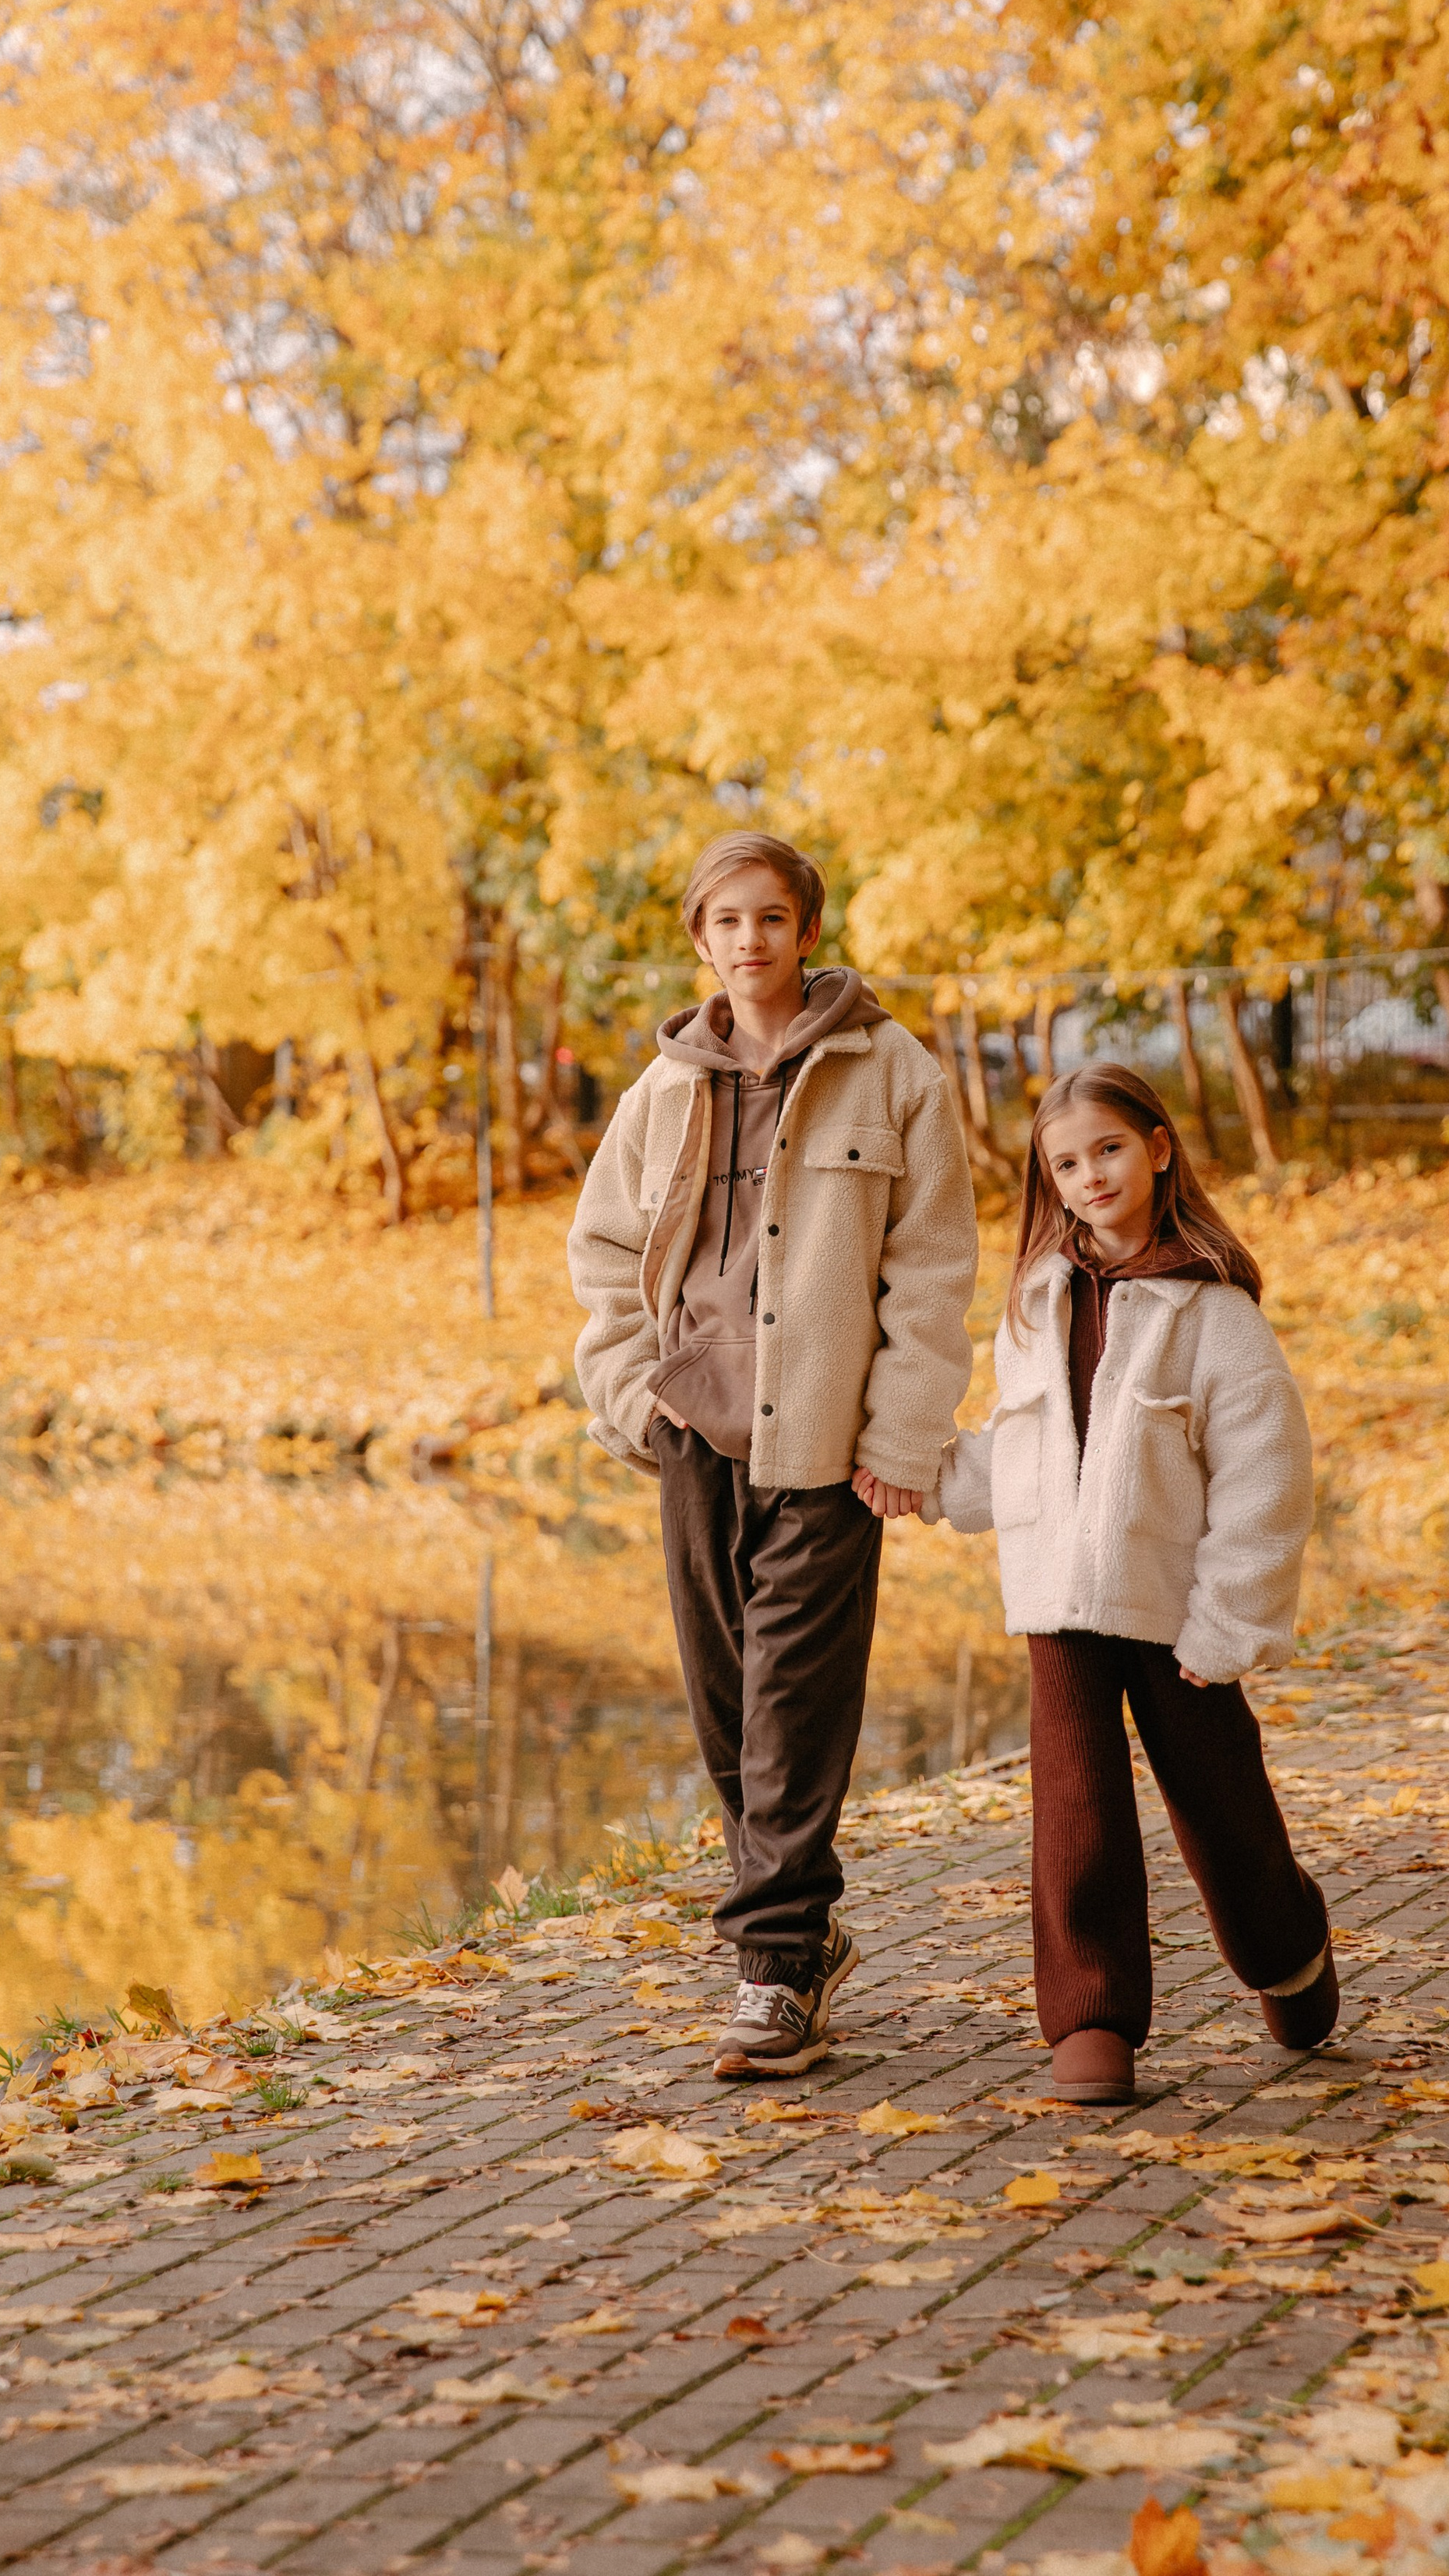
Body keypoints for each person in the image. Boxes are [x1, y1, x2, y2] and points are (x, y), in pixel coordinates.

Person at [568, 831, 977, 2077]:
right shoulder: (662, 1091)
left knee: (792, 1699)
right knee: (724, 1698)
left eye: (773, 918)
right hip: (697, 1428)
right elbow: (604, 1256)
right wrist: (636, 1400)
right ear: (702, 941)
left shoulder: (892, 1072)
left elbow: (933, 1266)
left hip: (826, 1439)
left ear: (809, 930)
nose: (751, 940)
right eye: (727, 921)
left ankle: (778, 1964)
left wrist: (902, 1434)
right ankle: (797, 1931)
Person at [922, 1061, 1331, 2105]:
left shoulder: (1213, 1315)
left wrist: (1228, 1621)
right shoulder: (1034, 1301)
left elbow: (1265, 1478)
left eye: (1107, 1149)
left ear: (1158, 1147)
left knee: (1221, 1802)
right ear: (1047, 1181)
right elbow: (1022, 1448)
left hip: (1178, 1607)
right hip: (1059, 1595)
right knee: (1076, 1805)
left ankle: (1287, 1953)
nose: (1090, 1176)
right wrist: (925, 1480)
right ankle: (1092, 2016)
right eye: (1066, 1163)